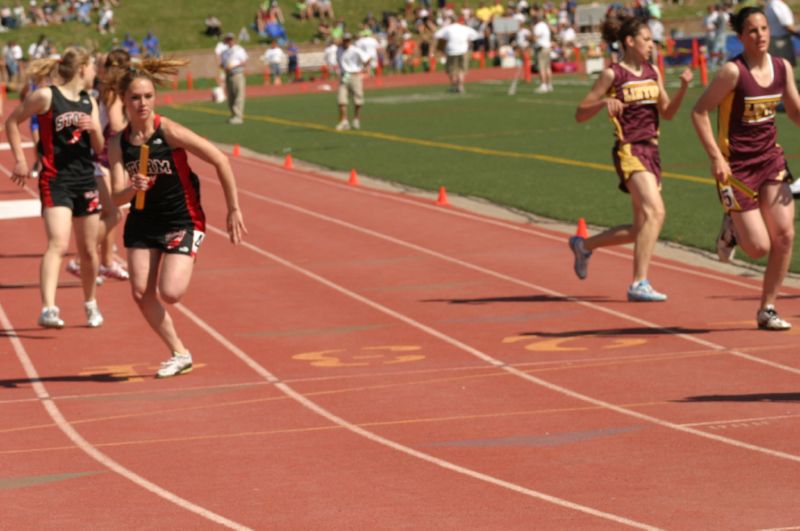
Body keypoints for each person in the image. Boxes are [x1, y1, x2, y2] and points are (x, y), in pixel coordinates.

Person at [107, 58, 247, 378]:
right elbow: (115, 196)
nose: (142, 103)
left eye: (148, 96)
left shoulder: (167, 131)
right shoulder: (118, 144)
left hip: (180, 219)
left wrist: (233, 208)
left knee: (171, 292)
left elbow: (220, 160)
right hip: (142, 221)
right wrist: (132, 188)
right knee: (141, 292)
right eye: (135, 97)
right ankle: (179, 353)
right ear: (124, 100)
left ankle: (186, 249)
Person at [691, 5, 799, 330]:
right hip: (736, 168)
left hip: (770, 160)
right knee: (758, 248)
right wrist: (716, 157)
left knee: (784, 235)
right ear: (740, 37)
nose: (761, 35)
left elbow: (794, 111)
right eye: (752, 30)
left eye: (764, 28)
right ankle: (732, 226)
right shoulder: (732, 73)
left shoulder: (782, 67)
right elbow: (699, 112)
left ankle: (767, 308)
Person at [570, 14, 692, 302]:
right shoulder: (613, 74)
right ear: (629, 41)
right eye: (647, 39)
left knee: (640, 228)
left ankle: (583, 245)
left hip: (653, 151)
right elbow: (580, 112)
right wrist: (603, 102)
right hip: (629, 149)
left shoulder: (653, 72)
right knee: (656, 212)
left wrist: (684, 89)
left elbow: (668, 113)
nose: (652, 45)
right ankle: (639, 282)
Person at [5, 47, 114, 328]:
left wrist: (95, 130)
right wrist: (19, 159)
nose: (94, 73)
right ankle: (49, 308)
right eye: (92, 68)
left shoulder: (89, 100)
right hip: (55, 179)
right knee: (57, 243)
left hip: (85, 180)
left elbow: (99, 148)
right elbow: (12, 122)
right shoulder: (46, 96)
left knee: (89, 250)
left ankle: (90, 303)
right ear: (82, 68)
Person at [434, 16, 480, 93]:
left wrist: (446, 38)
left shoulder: (448, 28)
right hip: (463, 50)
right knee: (461, 69)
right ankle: (460, 86)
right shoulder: (465, 28)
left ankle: (454, 86)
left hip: (451, 51)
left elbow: (437, 35)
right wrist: (468, 39)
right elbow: (476, 35)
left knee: (451, 69)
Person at [335, 32, 371, 131]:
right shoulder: (339, 50)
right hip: (344, 76)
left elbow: (367, 58)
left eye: (348, 40)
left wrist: (365, 68)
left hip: (354, 75)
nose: (346, 42)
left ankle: (356, 119)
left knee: (358, 99)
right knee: (341, 99)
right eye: (345, 40)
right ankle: (344, 121)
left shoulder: (355, 50)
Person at [220, 32, 248, 124]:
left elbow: (244, 62)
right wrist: (224, 67)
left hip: (237, 74)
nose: (230, 41)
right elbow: (223, 64)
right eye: (228, 39)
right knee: (231, 96)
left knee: (238, 95)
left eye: (231, 39)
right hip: (228, 75)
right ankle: (233, 115)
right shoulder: (224, 52)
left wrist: (233, 65)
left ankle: (238, 116)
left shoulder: (239, 50)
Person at [765, 0, 797, 66]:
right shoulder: (778, 5)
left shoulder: (771, 4)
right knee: (785, 68)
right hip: (781, 42)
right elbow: (788, 26)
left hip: (775, 40)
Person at [533, 14, 554, 92]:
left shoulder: (538, 26)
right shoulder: (545, 25)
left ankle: (543, 85)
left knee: (541, 68)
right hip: (548, 47)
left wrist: (530, 38)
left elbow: (536, 37)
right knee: (548, 67)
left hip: (542, 48)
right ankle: (550, 85)